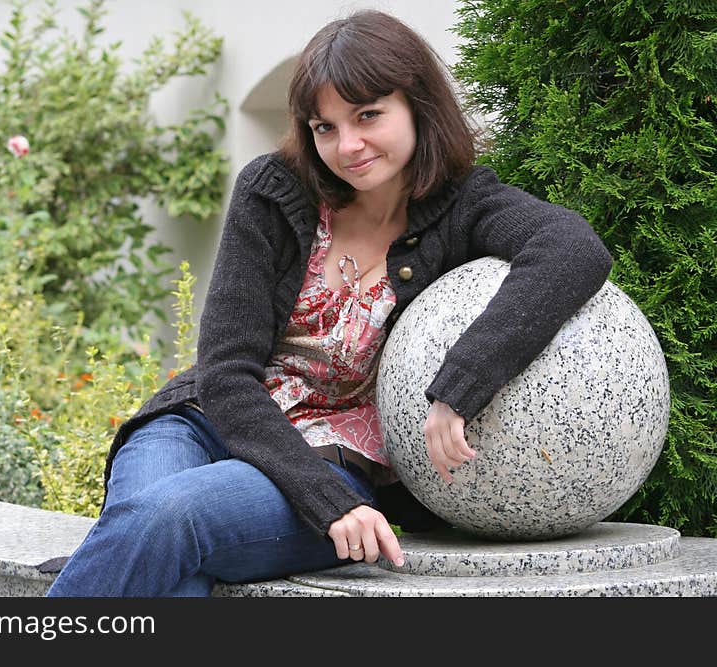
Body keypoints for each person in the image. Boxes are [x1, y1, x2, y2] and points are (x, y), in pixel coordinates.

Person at [46, 10, 613, 597]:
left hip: (337, 464)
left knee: (168, 520)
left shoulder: (465, 205)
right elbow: (226, 372)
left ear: (418, 104)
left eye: (369, 115)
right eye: (325, 127)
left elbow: (572, 250)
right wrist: (327, 504)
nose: (348, 146)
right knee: (164, 537)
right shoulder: (273, 190)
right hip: (203, 424)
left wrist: (458, 386)